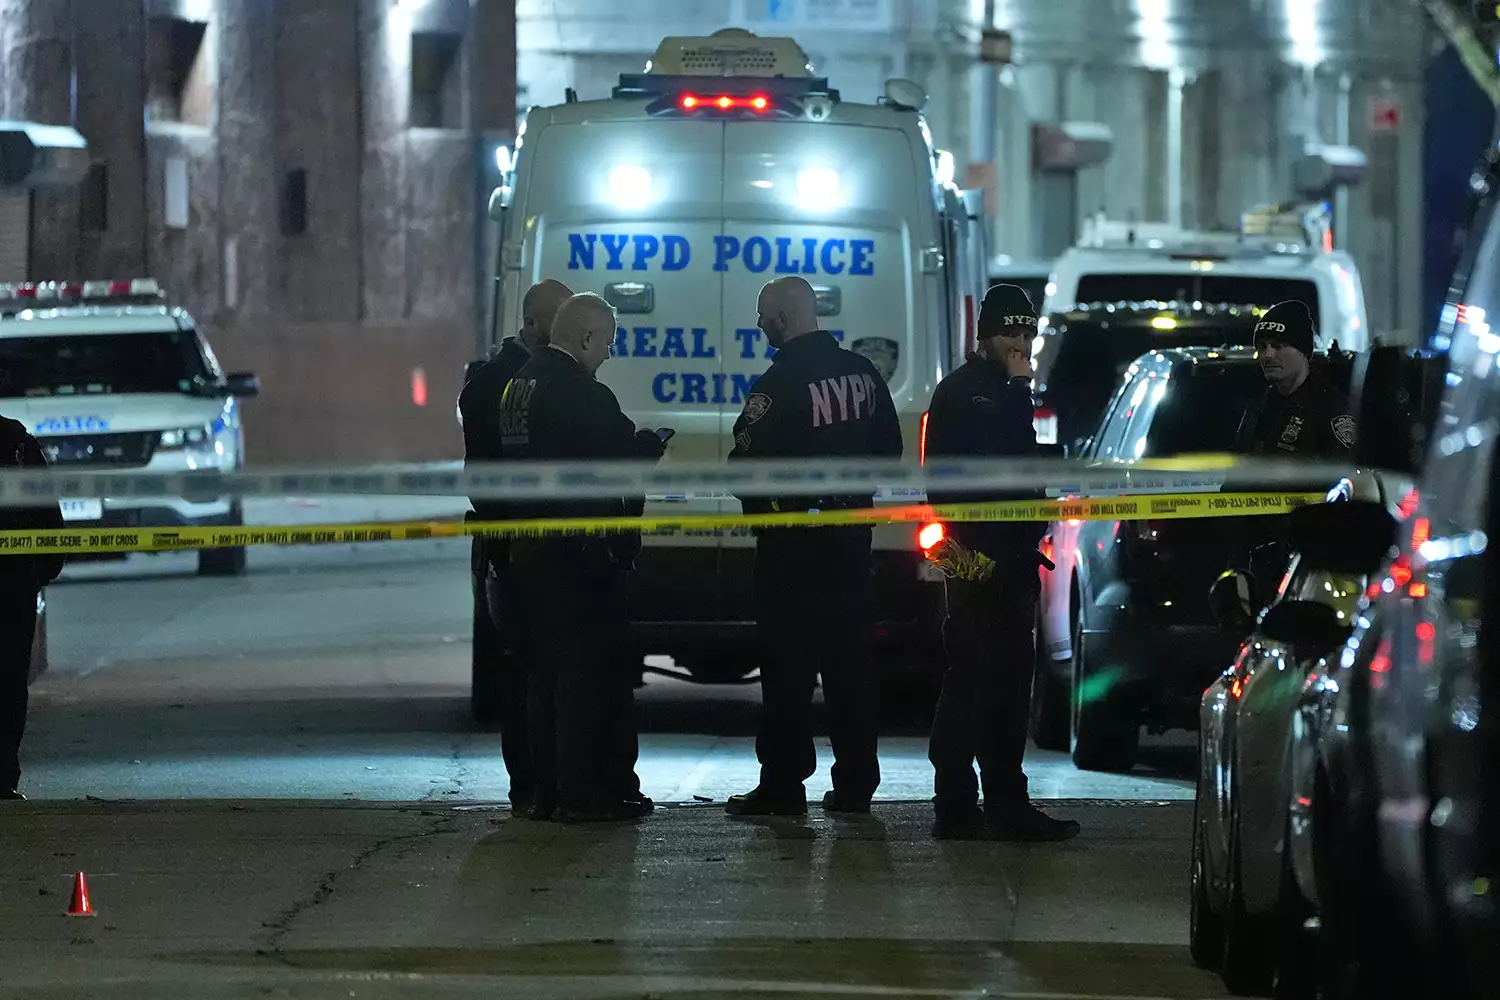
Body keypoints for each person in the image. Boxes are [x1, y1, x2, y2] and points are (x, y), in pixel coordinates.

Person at [723, 276, 904, 818]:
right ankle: (855, 784)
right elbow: (888, 452)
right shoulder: (864, 374)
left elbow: (746, 468)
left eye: (762, 315)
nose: (758, 325)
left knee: (788, 669)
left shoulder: (777, 385)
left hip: (791, 551)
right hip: (850, 544)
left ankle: (782, 785)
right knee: (850, 665)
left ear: (782, 316)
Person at [501, 292, 669, 822]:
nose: (609, 355)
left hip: (528, 548)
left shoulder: (518, 383)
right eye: (609, 343)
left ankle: (547, 792)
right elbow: (620, 457)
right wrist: (648, 447)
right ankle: (581, 796)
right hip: (575, 556)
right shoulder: (580, 390)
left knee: (543, 677)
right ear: (588, 337)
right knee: (582, 676)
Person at [922, 284, 1080, 841]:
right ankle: (965, 804)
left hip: (1010, 560)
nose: (1019, 343)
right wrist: (1016, 391)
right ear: (985, 334)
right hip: (975, 558)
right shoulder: (971, 393)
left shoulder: (1004, 390)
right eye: (1009, 332)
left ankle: (997, 803)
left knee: (1007, 684)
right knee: (975, 676)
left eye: (1026, 332)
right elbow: (989, 469)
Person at [458, 279, 572, 815]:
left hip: (520, 542)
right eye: (563, 320)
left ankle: (537, 783)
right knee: (530, 667)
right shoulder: (502, 384)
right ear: (534, 324)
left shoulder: (497, 380)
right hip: (514, 545)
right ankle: (533, 783)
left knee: (531, 667)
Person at [1, 412, 64, 801]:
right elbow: (46, 509)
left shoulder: (17, 441)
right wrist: (42, 566)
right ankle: (3, 773)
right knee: (7, 678)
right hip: (13, 580)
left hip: (15, 578)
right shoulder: (16, 441)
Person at [1236, 300, 1357, 459]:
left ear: (1303, 351)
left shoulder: (1332, 410)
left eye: (1278, 345)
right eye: (1262, 346)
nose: (1268, 355)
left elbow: (1350, 476)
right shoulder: (1260, 404)